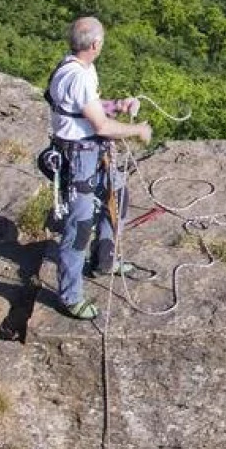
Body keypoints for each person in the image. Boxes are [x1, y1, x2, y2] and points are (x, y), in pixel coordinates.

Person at [45, 16, 152, 321]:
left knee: (117, 197)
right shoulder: (78, 75)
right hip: (80, 156)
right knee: (79, 226)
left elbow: (85, 107)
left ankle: (104, 260)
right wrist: (138, 131)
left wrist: (117, 104)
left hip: (90, 150)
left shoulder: (78, 68)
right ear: (95, 44)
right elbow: (101, 126)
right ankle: (70, 297)